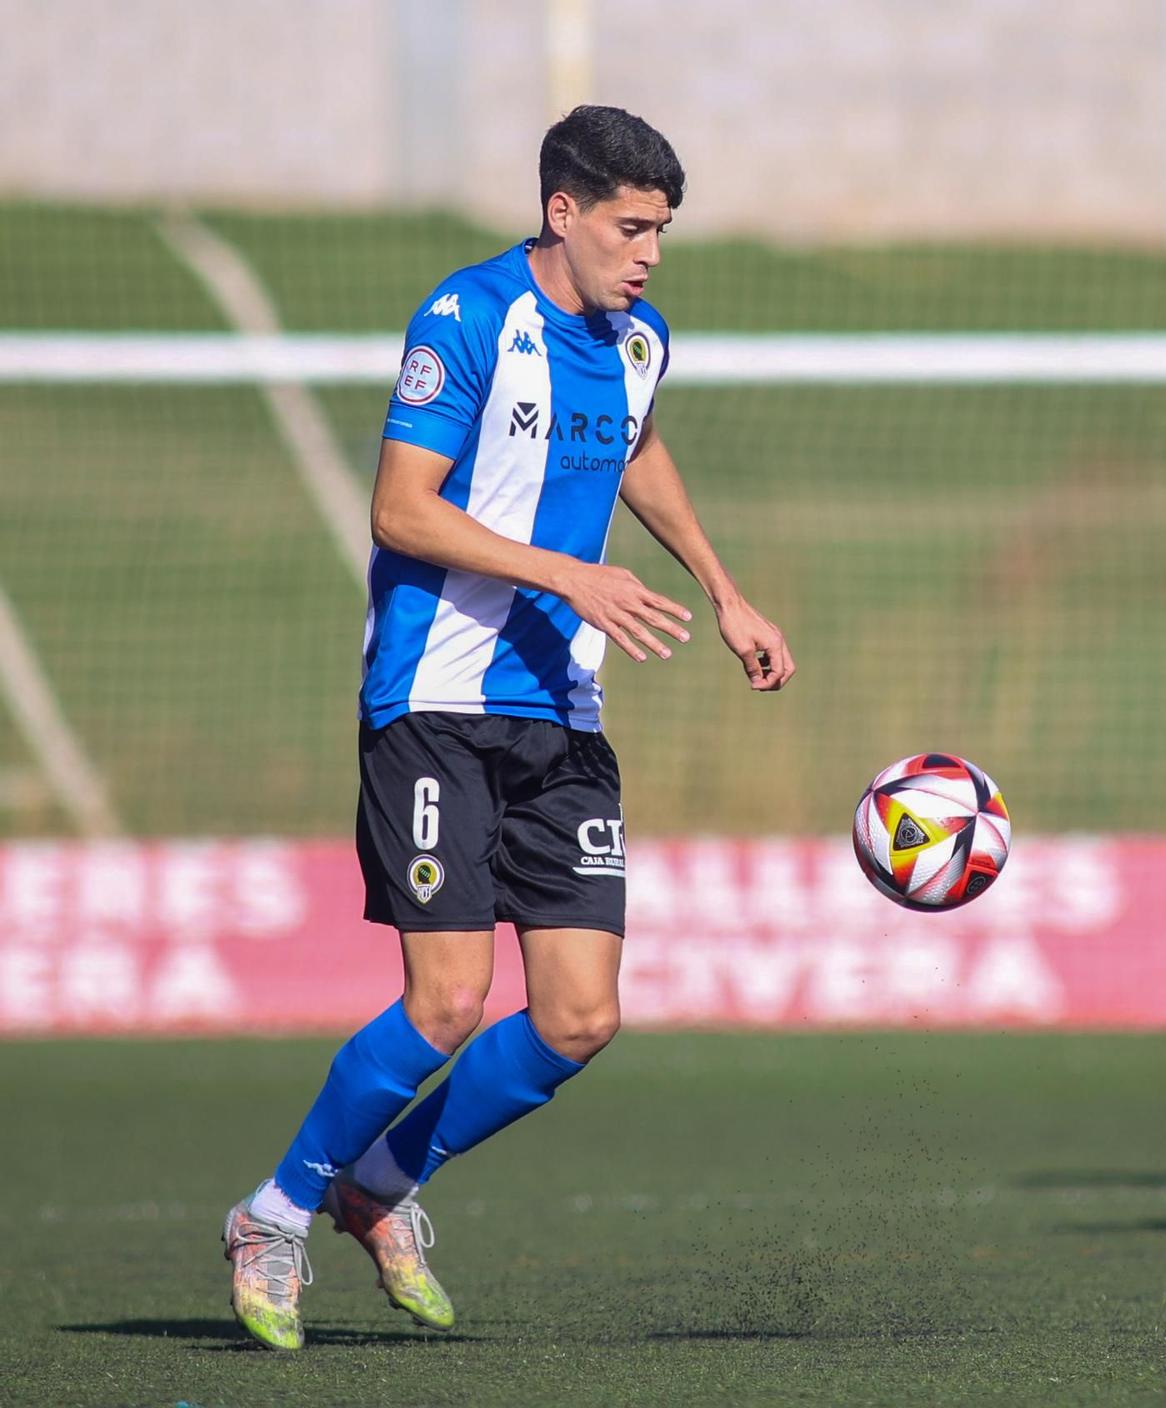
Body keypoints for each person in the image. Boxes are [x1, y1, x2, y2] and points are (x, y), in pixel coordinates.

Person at [222, 105, 795, 1349]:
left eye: (662, 232)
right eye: (630, 227)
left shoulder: (638, 338)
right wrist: (565, 573)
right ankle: (274, 1211)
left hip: (561, 711)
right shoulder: (468, 317)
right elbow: (400, 510)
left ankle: (380, 1182)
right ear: (563, 212)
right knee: (446, 1000)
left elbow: (631, 448)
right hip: (435, 701)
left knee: (581, 1016)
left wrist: (722, 587)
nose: (647, 253)